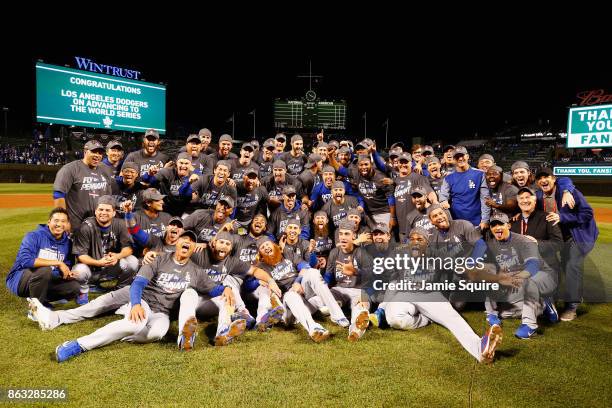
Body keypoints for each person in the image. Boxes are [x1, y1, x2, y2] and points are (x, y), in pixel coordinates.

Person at [47, 230, 236, 362]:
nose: (186, 241)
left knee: (157, 333)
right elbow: (138, 283)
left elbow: (212, 289)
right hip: (145, 302)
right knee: (134, 323)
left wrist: (226, 288)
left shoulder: (196, 271)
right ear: (177, 243)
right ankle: (78, 345)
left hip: (162, 313)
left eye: (191, 241)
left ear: (194, 247)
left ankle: (120, 334)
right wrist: (136, 304)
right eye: (183, 238)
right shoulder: (159, 259)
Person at [372, 227, 504, 363]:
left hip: (430, 295)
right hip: (406, 294)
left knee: (453, 320)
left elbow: (465, 271)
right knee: (393, 319)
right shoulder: (400, 255)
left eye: (420, 239)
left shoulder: (437, 255)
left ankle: (480, 348)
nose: (415, 242)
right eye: (412, 239)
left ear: (427, 243)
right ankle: (425, 319)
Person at [254, 238, 349, 342]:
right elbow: (248, 284)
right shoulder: (261, 267)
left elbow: (305, 266)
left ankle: (338, 316)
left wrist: (297, 282)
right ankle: (313, 328)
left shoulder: (287, 254)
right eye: (262, 248)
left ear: (274, 245)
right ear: (261, 254)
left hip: (302, 291)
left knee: (313, 272)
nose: (266, 247)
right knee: (291, 296)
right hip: (288, 304)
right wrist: (260, 282)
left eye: (268, 244)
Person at [535, 168, 599, 321]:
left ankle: (572, 306)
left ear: (554, 178)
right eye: (540, 178)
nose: (543, 180)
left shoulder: (569, 191)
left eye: (547, 177)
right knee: (564, 265)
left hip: (579, 235)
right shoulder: (538, 196)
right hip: (561, 238)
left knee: (572, 266)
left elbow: (587, 213)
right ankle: (567, 297)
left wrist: (562, 217)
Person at [485, 213, 559, 339]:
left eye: (501, 224)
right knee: (505, 312)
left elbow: (533, 266)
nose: (497, 228)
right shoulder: (491, 245)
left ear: (508, 225)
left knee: (530, 283)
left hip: (542, 274)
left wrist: (516, 278)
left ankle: (529, 325)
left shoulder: (523, 240)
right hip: (518, 279)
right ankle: (543, 305)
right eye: (493, 225)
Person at [6, 208, 82, 305]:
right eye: (56, 220)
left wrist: (67, 275)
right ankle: (35, 309)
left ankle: (42, 299)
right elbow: (25, 261)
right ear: (49, 222)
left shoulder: (68, 243)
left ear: (67, 225)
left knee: (74, 287)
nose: (59, 224)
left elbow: (66, 267)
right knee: (44, 270)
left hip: (45, 281)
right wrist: (58, 262)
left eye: (63, 221)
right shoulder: (33, 236)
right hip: (19, 280)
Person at [71, 196, 139, 295]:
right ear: (95, 211)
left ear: (114, 213)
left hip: (111, 267)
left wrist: (117, 256)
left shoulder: (120, 224)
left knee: (132, 261)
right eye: (101, 209)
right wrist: (99, 262)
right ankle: (84, 292)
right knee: (79, 270)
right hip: (92, 270)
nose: (103, 213)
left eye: (107, 210)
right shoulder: (85, 227)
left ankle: (120, 289)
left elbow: (128, 249)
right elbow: (81, 256)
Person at [325, 220, 373, 341]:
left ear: (354, 236)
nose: (343, 237)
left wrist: (355, 272)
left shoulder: (362, 253)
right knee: (318, 298)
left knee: (360, 308)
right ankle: (291, 316)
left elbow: (371, 278)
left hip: (358, 290)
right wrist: (323, 289)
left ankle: (355, 330)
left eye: (347, 234)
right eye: (341, 234)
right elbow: (328, 276)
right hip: (339, 289)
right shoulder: (334, 253)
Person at [53, 140, 113, 231]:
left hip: (99, 224)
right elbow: (59, 195)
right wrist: (63, 221)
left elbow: (108, 197)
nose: (97, 155)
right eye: (93, 151)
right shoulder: (70, 169)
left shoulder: (105, 170)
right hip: (76, 225)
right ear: (85, 151)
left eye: (100, 153)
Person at [511, 187, 563, 272]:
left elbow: (559, 243)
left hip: (544, 268)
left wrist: (537, 243)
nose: (524, 201)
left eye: (528, 197)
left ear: (535, 201)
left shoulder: (547, 218)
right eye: (521, 198)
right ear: (518, 203)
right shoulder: (514, 222)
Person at [439, 146, 490, 229]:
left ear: (467, 156)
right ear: (453, 159)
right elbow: (443, 195)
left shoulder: (479, 174)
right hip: (456, 223)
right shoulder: (448, 178)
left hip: (476, 223)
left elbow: (485, 199)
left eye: (462, 155)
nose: (460, 159)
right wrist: (443, 201)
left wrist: (485, 220)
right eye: (457, 157)